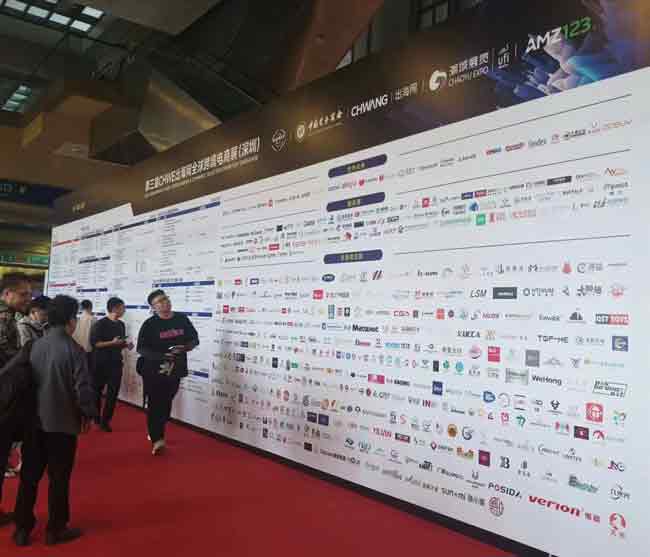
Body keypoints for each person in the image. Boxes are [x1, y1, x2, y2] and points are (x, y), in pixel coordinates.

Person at [13, 295, 97, 547]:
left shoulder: (34, 346)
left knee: (29, 478)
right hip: (62, 425)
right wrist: (88, 414)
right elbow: (83, 390)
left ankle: (22, 529)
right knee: (59, 479)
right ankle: (56, 529)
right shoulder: (75, 350)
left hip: (33, 423)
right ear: (71, 320)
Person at [137, 289, 198, 455]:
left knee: (166, 402)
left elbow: (194, 339)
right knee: (156, 403)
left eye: (166, 298)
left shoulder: (181, 319)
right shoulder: (150, 324)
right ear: (153, 307)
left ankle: (157, 429)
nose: (165, 302)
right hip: (154, 370)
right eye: (160, 301)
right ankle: (157, 439)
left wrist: (185, 347)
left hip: (176, 369)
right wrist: (162, 356)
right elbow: (141, 348)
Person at [0, 272, 31, 527]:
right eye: (23, 294)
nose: (27, 299)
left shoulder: (11, 317)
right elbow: (7, 361)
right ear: (7, 294)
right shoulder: (4, 319)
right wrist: (27, 354)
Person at [90, 297, 133, 432]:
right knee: (96, 391)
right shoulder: (100, 324)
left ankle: (105, 421)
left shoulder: (121, 324)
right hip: (100, 363)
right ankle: (96, 417)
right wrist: (112, 343)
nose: (124, 310)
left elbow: (119, 343)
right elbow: (95, 344)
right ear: (115, 308)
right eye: (123, 308)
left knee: (113, 394)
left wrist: (125, 345)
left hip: (116, 363)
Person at [72, 300, 95, 370]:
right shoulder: (93, 319)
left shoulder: (76, 318)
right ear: (90, 307)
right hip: (89, 349)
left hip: (77, 348)